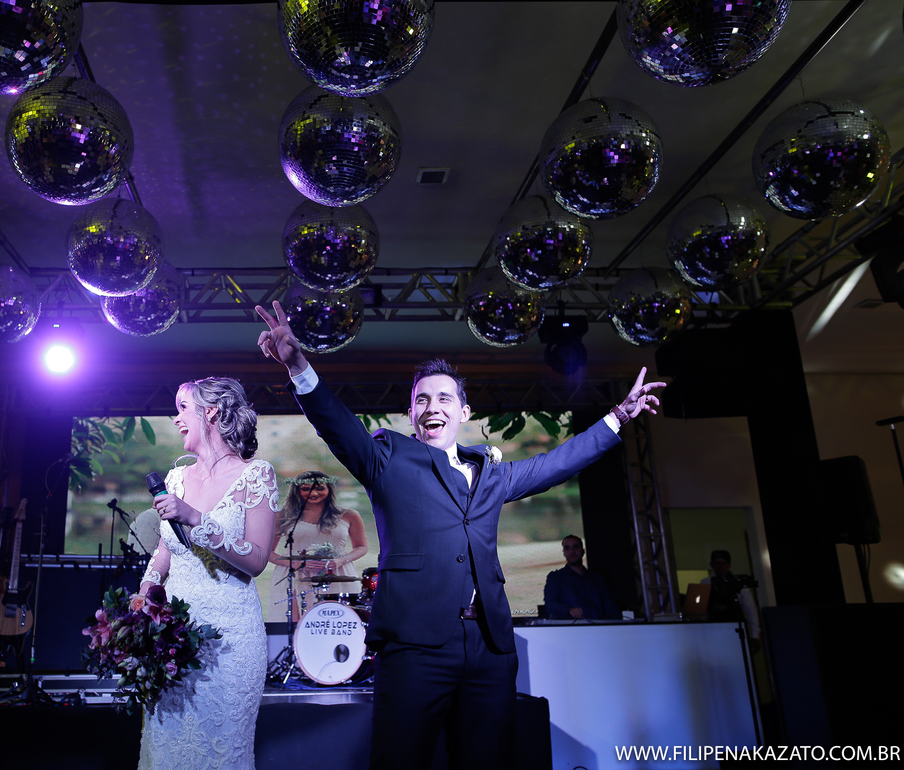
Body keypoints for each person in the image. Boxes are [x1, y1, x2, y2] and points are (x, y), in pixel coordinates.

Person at [255, 300, 665, 770]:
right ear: (412, 414)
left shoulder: (492, 473)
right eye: (422, 400)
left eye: (444, 398)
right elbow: (338, 424)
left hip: (489, 647)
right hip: (414, 645)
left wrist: (618, 417)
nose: (432, 407)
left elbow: (556, 464)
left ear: (464, 411)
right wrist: (298, 364)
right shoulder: (388, 460)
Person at [137, 377, 279, 770]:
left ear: (211, 412)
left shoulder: (257, 475)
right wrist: (147, 587)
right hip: (173, 643)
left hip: (230, 645)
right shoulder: (175, 479)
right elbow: (165, 552)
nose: (176, 419)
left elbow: (257, 560)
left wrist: (196, 518)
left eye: (183, 408)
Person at [268, 471, 369, 620]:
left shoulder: (349, 515)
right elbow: (267, 552)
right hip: (294, 575)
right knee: (293, 626)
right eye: (306, 489)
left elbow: (362, 547)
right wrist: (295, 563)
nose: (313, 493)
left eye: (320, 488)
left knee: (337, 622)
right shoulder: (282, 516)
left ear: (329, 490)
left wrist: (341, 560)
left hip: (337, 574)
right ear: (297, 491)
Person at [543, 534, 620, 620]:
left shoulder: (597, 579)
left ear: (583, 551)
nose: (572, 551)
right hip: (570, 626)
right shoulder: (556, 578)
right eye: (567, 548)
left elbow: (610, 607)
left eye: (575, 547)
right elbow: (550, 605)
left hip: (599, 625)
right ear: (564, 552)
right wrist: (568, 610)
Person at [703, 548, 762, 653]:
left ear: (729, 565)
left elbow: (751, 610)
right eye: (716, 563)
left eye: (723, 563)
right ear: (711, 565)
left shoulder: (738, 584)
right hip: (713, 630)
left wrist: (755, 635)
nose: (720, 567)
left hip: (735, 629)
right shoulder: (705, 583)